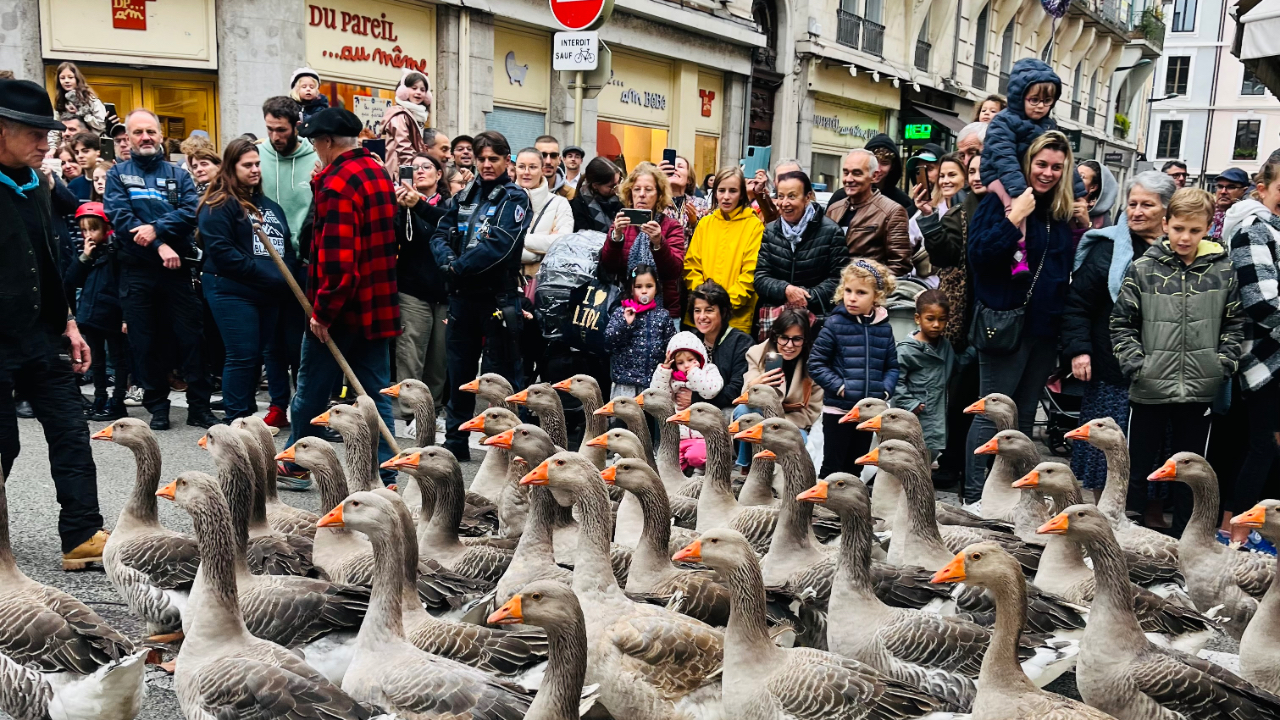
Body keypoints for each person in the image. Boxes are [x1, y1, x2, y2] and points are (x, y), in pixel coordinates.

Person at [0, 78, 107, 566]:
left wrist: (68, 321)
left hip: (44, 335)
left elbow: (48, 259)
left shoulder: (39, 184)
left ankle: (81, 535)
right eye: (35, 131)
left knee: (70, 431)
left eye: (51, 131)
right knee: (4, 443)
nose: (48, 142)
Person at [1112, 187, 1242, 536]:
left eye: (1195, 230)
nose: (1186, 237)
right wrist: (1137, 365)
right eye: (1179, 228)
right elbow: (1122, 322)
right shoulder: (1143, 269)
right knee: (1136, 469)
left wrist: (1221, 365)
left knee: (1192, 473)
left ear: (1208, 230)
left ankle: (1187, 542)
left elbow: (1234, 323)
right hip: (1149, 385)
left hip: (1200, 388)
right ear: (1166, 224)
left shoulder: (1222, 272)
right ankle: (1128, 538)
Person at [283, 108, 401, 484]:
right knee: (374, 391)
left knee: (311, 390)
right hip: (376, 303)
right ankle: (387, 469)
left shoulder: (338, 184)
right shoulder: (376, 171)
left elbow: (339, 262)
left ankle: (298, 461)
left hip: (342, 309)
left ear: (328, 142)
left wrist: (323, 311)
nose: (314, 149)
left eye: (316, 142)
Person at [964, 131, 1078, 499]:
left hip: (1043, 331)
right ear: (1027, 164)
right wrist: (1014, 219)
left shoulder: (1059, 214)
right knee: (992, 417)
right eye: (1041, 164)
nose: (1047, 173)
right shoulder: (998, 203)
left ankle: (1014, 496)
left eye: (1056, 167)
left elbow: (1060, 273)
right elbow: (978, 257)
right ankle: (975, 494)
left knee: (1025, 418)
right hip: (1003, 326)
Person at [1063, 170, 1175, 503]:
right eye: (1132, 204)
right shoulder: (1107, 248)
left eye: (1147, 205)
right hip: (1110, 364)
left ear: (1166, 210)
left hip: (1161, 367)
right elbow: (1077, 304)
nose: (1137, 211)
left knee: (1157, 443)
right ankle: (1103, 507)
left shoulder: (1180, 248)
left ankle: (1149, 508)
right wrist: (1079, 351)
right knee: (1106, 443)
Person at [103, 108, 217, 430]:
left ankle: (199, 406)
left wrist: (155, 230)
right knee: (144, 340)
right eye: (138, 133)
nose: (145, 138)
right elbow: (120, 216)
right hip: (137, 271)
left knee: (192, 337)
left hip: (177, 270)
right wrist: (158, 244)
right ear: (129, 137)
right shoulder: (118, 174)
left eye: (150, 131)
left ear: (160, 135)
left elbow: (189, 211)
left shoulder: (178, 173)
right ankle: (157, 406)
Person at [431, 130, 530, 461]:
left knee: (498, 377)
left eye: (494, 159)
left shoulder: (515, 198)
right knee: (458, 373)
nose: (487, 165)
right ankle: (456, 441)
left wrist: (458, 267)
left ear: (506, 160)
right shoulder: (466, 194)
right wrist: (447, 261)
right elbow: (441, 231)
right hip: (461, 298)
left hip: (497, 299)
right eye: (482, 158)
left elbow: (498, 245)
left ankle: (502, 446)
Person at [196, 138, 295, 422]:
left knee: (258, 357)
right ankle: (237, 418)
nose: (254, 169)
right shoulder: (219, 204)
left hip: (269, 292)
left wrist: (282, 276)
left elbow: (285, 248)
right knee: (242, 354)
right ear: (231, 167)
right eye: (247, 165)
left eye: (257, 164)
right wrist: (272, 276)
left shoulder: (270, 206)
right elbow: (224, 253)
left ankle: (248, 416)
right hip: (231, 290)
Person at [918, 152, 985, 491]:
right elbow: (943, 256)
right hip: (959, 317)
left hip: (991, 315)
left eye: (953, 174)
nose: (946, 180)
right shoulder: (958, 213)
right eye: (970, 171)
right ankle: (952, 463)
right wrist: (929, 220)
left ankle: (969, 468)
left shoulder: (1002, 210)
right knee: (957, 397)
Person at [1221, 160, 1280, 543]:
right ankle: (1236, 534)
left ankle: (1256, 533)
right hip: (1262, 358)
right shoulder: (1252, 229)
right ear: (1262, 187)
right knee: (1262, 446)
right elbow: (1261, 301)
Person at [808, 258, 899, 477]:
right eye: (848, 290)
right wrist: (840, 387)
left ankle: (850, 510)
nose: (852, 297)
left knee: (855, 466)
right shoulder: (835, 324)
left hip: (867, 414)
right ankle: (823, 510)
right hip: (838, 410)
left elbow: (892, 366)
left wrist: (883, 391)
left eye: (860, 292)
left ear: (876, 296)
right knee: (832, 465)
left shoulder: (883, 329)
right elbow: (816, 363)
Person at [259, 95, 316, 430]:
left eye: (281, 130)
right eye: (270, 129)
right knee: (271, 341)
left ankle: (304, 406)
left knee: (299, 341)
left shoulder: (313, 157)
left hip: (302, 260)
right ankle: (278, 404)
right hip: (265, 258)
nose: (275, 137)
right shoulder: (258, 153)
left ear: (296, 126)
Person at [980, 59, 1086, 210]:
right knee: (1017, 209)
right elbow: (1004, 158)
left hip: (1023, 181)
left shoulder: (1049, 124)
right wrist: (1019, 191)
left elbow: (1066, 162)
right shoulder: (1003, 121)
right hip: (997, 176)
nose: (1041, 106)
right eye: (1034, 100)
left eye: (1047, 101)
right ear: (1020, 97)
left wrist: (1078, 192)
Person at [392, 152, 450, 422]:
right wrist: (394, 205)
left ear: (439, 174)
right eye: (413, 168)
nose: (420, 171)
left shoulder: (451, 204)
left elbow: (450, 226)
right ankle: (410, 413)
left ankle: (432, 410)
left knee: (439, 358)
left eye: (427, 166)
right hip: (411, 289)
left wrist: (420, 205)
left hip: (444, 291)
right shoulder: (401, 206)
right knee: (410, 353)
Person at [64, 202, 128, 421]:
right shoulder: (88, 255)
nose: (88, 234)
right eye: (84, 230)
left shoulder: (116, 251)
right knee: (97, 360)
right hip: (90, 316)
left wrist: (126, 315)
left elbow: (123, 285)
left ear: (106, 228)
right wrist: (85, 256)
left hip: (112, 314)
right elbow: (71, 280)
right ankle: (100, 397)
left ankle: (118, 400)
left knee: (118, 360)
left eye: (93, 229)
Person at [735, 307, 823, 466]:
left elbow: (811, 411)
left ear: (805, 340)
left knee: (799, 440)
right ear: (776, 337)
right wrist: (755, 385)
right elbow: (744, 399)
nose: (789, 345)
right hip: (760, 415)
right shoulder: (756, 353)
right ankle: (747, 466)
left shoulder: (814, 363)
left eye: (797, 339)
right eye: (784, 338)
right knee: (743, 412)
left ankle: (785, 480)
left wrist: (777, 424)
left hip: (792, 422)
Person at [754, 169, 846, 321]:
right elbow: (760, 277)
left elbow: (838, 279)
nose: (784, 203)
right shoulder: (771, 231)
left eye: (792, 196)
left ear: (807, 197)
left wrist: (805, 297)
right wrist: (785, 290)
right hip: (777, 318)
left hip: (816, 318)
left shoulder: (831, 232)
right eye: (780, 196)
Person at [684, 166, 765, 333]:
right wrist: (704, 304)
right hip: (700, 320)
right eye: (721, 190)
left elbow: (750, 274)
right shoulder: (705, 224)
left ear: (742, 194)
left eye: (733, 191)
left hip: (735, 321)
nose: (726, 197)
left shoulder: (754, 226)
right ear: (715, 193)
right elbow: (691, 266)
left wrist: (722, 306)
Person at [602, 163, 685, 321]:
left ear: (659, 195)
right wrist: (616, 237)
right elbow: (608, 266)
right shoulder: (622, 224)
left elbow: (674, 271)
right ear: (630, 193)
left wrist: (659, 244)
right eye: (637, 189)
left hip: (664, 312)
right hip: (625, 311)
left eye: (648, 190)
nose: (641, 195)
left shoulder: (671, 226)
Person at [893, 289, 963, 461]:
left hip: (937, 412)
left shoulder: (945, 346)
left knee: (929, 452)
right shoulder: (906, 350)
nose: (936, 325)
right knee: (909, 455)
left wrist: (975, 351)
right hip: (915, 413)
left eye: (942, 320)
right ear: (918, 318)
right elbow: (895, 380)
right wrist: (910, 402)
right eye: (930, 319)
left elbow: (956, 365)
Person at [825, 148, 912, 276]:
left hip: (867, 292)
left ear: (875, 176)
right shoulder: (834, 209)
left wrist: (865, 283)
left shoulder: (892, 211)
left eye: (857, 173)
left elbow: (900, 265)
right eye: (846, 173)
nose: (849, 179)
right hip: (832, 290)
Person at [652, 329, 725, 469]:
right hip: (678, 437)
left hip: (702, 436)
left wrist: (694, 373)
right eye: (680, 362)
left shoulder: (708, 371)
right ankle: (687, 472)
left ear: (700, 357)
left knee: (696, 457)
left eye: (691, 360)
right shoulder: (671, 377)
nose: (686, 365)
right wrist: (664, 370)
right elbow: (658, 394)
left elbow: (710, 391)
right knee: (667, 465)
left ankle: (699, 470)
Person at [606, 264, 676, 398]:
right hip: (625, 383)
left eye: (649, 286)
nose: (644, 291)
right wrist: (625, 324)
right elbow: (609, 343)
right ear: (631, 289)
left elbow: (671, 345)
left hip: (653, 383)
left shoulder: (663, 315)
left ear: (656, 289)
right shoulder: (622, 312)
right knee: (624, 417)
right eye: (638, 287)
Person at [687, 280, 753, 411]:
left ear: (723, 312)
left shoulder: (741, 342)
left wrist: (695, 400)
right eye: (697, 310)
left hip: (726, 409)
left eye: (709, 310)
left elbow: (736, 391)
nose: (702, 317)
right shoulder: (690, 341)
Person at [513, 147, 573, 279]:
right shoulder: (503, 200)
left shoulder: (559, 203)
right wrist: (539, 253)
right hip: (506, 283)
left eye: (533, 167)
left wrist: (519, 239)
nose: (526, 172)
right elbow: (496, 245)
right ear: (515, 168)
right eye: (522, 167)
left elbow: (562, 243)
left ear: (542, 170)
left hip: (542, 283)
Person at [909, 152, 968, 276]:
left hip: (959, 285)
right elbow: (906, 240)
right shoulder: (931, 206)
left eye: (952, 175)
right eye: (942, 176)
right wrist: (928, 214)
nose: (945, 181)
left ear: (966, 178)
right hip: (924, 283)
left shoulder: (971, 210)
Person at [381, 70, 431, 178]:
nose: (418, 92)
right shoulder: (400, 115)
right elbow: (404, 148)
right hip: (400, 173)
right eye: (414, 88)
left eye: (423, 90)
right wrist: (414, 172)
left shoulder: (417, 116)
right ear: (402, 91)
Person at [50, 62, 106, 149]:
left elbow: (102, 125)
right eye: (62, 78)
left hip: (91, 146)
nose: (66, 81)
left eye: (70, 77)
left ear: (77, 79)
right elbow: (55, 128)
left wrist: (83, 113)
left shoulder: (90, 99)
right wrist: (53, 148)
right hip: (68, 147)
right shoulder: (60, 101)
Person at [570, 156, 622, 232]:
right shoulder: (578, 206)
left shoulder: (621, 200)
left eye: (619, 182)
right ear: (595, 186)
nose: (617, 188)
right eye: (612, 186)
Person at [1209, 167, 1249, 240]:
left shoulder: (1247, 219)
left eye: (1231, 187)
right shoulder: (1207, 212)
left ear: (1244, 191)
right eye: (1220, 187)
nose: (1223, 191)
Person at [1077, 159, 1118, 229]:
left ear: (1093, 187)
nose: (1074, 178)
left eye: (1082, 177)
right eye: (1074, 174)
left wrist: (1086, 225)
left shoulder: (1101, 219)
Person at [67, 131, 101, 200]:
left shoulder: (111, 181)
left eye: (85, 151)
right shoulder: (74, 185)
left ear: (98, 152)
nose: (80, 156)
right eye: (76, 153)